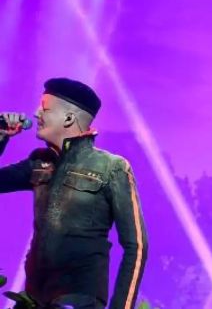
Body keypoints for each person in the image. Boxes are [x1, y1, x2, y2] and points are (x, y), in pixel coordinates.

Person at [0, 78, 148, 309]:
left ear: (69, 118)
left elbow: (136, 245)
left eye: (45, 108)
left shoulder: (111, 167)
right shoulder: (39, 162)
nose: (37, 113)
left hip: (79, 300)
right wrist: (1, 136)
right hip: (34, 299)